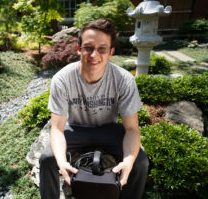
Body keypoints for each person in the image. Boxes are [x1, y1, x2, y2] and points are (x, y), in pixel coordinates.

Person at [39, 18, 149, 199]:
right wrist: (61, 160)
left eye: (102, 49)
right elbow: (57, 128)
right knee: (47, 159)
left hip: (110, 130)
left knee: (140, 163)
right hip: (75, 129)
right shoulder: (62, 79)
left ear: (111, 52)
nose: (94, 55)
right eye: (88, 47)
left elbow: (131, 129)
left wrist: (128, 161)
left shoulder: (123, 80)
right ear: (78, 48)